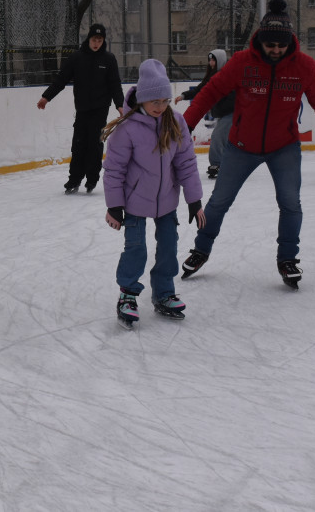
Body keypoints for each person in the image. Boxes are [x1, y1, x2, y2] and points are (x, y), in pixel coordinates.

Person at [177, 0, 315, 289]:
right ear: (259, 40)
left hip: (283, 146)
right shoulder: (242, 63)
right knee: (219, 201)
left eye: (280, 46)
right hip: (241, 146)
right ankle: (200, 250)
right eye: (269, 45)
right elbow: (210, 92)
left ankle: (287, 258)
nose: (274, 50)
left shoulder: (304, 67)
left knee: (290, 202)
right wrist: (186, 125)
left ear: (289, 42)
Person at [102, 59, 206, 326]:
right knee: (136, 250)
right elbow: (114, 169)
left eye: (164, 101)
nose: (160, 107)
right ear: (143, 99)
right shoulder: (127, 129)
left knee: (169, 248)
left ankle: (164, 292)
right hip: (135, 203)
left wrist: (194, 199)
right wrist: (115, 206)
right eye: (154, 102)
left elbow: (186, 163)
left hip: (167, 201)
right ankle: (128, 293)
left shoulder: (176, 122)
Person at [37, 23, 123, 194]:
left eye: (100, 40)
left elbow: (115, 85)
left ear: (103, 41)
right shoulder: (77, 58)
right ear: (89, 39)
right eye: (94, 39)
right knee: (78, 145)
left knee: (95, 144)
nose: (96, 43)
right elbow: (61, 79)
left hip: (100, 109)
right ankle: (74, 179)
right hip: (83, 109)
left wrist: (120, 105)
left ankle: (92, 179)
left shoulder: (108, 59)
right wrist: (47, 97)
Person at [175, 49, 231, 178]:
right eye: (210, 60)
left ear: (221, 61)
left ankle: (216, 164)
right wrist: (184, 96)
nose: (211, 63)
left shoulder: (228, 75)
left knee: (217, 136)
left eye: (214, 60)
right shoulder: (211, 77)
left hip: (233, 112)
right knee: (226, 139)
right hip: (223, 114)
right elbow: (201, 90)